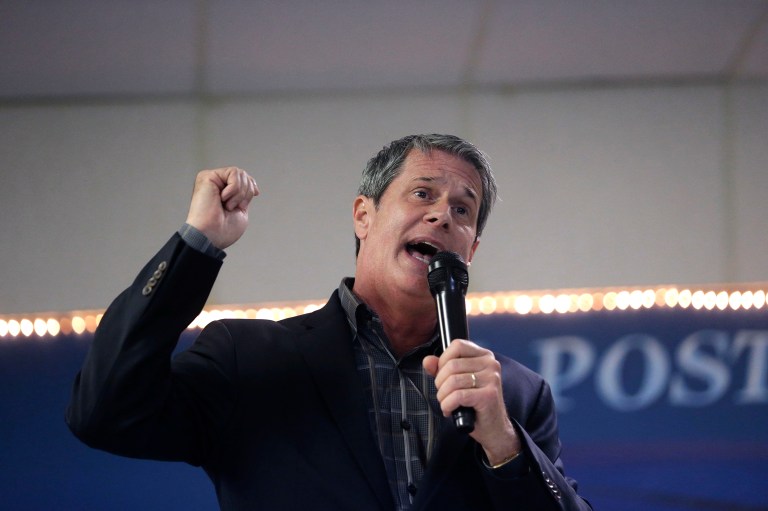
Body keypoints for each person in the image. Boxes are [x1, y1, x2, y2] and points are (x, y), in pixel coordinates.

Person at [67, 134, 592, 510]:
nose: (443, 216)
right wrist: (196, 245)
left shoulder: (516, 396)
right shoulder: (249, 357)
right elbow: (106, 412)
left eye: (463, 210)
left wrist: (503, 443)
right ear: (364, 215)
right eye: (423, 194)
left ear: (471, 249)